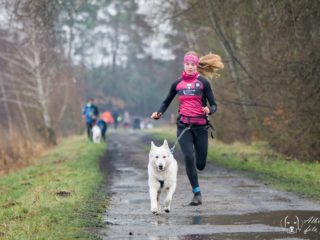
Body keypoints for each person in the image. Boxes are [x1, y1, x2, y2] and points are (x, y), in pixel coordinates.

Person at [151, 51, 224, 206]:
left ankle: (198, 161)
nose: (190, 67)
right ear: (184, 64)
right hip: (184, 126)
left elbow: (214, 105)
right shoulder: (177, 84)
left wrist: (209, 110)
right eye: (187, 64)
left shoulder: (203, 83)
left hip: (201, 127)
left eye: (192, 64)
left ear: (196, 66)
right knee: (189, 157)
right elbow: (166, 102)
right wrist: (159, 113)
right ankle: (197, 193)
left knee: (200, 164)